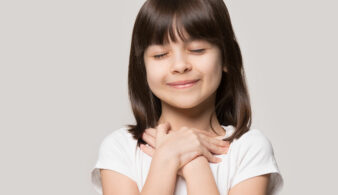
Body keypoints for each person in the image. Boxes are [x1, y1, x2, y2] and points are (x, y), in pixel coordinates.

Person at [91, 0, 284, 194]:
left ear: (226, 57)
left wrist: (195, 164)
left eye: (197, 50)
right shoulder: (120, 148)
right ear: (143, 67)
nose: (180, 65)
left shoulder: (249, 148)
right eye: (160, 55)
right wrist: (166, 158)